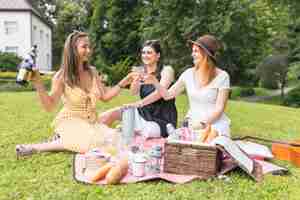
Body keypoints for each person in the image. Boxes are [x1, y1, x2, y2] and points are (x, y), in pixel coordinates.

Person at [16, 31, 134, 157]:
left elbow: (105, 97)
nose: (89, 50)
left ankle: (62, 140)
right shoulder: (61, 76)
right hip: (70, 122)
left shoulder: (92, 72)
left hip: (91, 123)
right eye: (84, 47)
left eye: (89, 47)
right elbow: (49, 106)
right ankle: (36, 147)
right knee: (94, 143)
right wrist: (39, 83)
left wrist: (124, 82)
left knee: (117, 139)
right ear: (72, 50)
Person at [143, 35, 231, 143]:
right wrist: (155, 82)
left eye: (196, 51)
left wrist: (202, 123)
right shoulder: (188, 74)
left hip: (215, 126)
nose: (192, 54)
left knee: (207, 152)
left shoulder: (222, 76)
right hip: (192, 125)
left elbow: (219, 108)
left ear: (206, 53)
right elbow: (167, 95)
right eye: (192, 51)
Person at [99, 40, 177, 138]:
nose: (145, 55)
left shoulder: (167, 70)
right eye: (143, 53)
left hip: (162, 117)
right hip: (144, 112)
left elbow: (159, 94)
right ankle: (95, 140)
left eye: (149, 52)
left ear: (158, 56)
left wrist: (138, 104)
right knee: (106, 116)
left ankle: (126, 131)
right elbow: (133, 92)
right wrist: (135, 80)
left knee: (145, 132)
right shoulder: (141, 71)